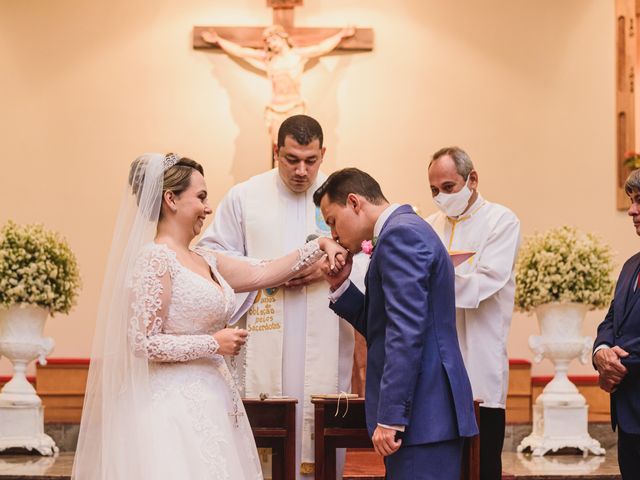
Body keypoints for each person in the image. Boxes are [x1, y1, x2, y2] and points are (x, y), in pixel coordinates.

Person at [72, 153, 347, 480]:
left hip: (214, 402)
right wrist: (212, 343)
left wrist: (321, 245)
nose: (208, 207)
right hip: (171, 409)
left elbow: (264, 272)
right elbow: (142, 343)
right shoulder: (155, 260)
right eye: (200, 197)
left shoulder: (206, 259)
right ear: (171, 199)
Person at [199, 114, 364, 478]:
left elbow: (368, 250)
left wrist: (329, 267)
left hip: (325, 330)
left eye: (311, 160)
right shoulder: (245, 196)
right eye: (291, 159)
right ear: (276, 151)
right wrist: (271, 268)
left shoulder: (342, 197)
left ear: (324, 153)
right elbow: (208, 256)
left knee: (320, 431)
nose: (302, 171)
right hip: (261, 337)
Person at [314, 168, 478, 479]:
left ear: (354, 202)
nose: (333, 234)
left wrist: (390, 416)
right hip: (426, 417)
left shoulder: (400, 235)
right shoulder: (404, 230)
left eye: (333, 221)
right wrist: (341, 286)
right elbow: (385, 327)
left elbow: (405, 333)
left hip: (423, 416)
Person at [426, 146, 520, 480]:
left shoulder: (501, 220)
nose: (441, 197)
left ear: (473, 179)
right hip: (434, 364)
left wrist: (433, 279)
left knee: (481, 465)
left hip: (479, 358)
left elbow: (488, 282)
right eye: (434, 190)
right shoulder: (427, 226)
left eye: (448, 188)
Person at [201, 25, 355, 144]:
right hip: (275, 110)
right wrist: (218, 40)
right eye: (268, 42)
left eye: (273, 40)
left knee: (297, 145)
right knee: (278, 147)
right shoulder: (268, 59)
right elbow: (241, 52)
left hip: (295, 107)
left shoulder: (298, 56)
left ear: (282, 38)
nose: (271, 44)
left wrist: (341, 35)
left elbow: (321, 48)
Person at [593, 169, 640, 479]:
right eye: (632, 201)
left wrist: (619, 365)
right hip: (629, 418)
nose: (633, 210)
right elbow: (610, 322)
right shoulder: (629, 267)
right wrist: (601, 352)